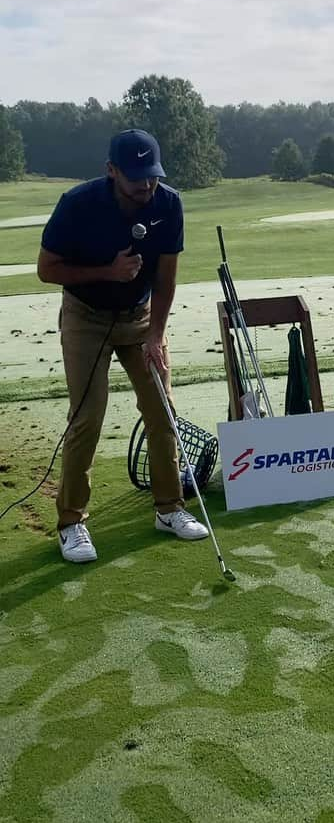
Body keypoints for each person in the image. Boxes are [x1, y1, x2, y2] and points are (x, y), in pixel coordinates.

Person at [37, 129, 209, 563]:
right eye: (136, 178)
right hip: (85, 317)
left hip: (140, 318)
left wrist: (156, 335)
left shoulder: (168, 204)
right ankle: (72, 522)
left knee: (161, 409)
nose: (146, 186)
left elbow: (166, 278)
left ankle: (169, 508)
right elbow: (46, 269)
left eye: (151, 176)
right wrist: (107, 272)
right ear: (111, 171)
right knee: (87, 416)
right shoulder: (78, 204)